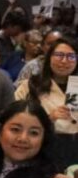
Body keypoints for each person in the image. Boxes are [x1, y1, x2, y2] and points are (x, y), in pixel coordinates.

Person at [16, 37, 78, 166]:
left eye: (71, 56)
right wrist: (48, 118)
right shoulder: (30, 85)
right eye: (59, 55)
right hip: (41, 149)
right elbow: (15, 119)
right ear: (49, 57)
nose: (64, 61)